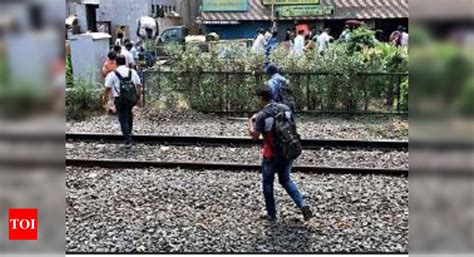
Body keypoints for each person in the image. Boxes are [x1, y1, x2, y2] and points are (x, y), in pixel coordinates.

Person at [248, 84, 313, 222]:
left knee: (267, 184)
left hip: (271, 154)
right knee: (285, 179)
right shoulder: (286, 109)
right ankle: (303, 204)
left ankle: (271, 214)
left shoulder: (262, 116)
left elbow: (254, 136)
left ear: (261, 98)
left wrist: (251, 122)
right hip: (287, 151)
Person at [103, 55, 143, 148]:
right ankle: (129, 134)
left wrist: (104, 100)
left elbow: (107, 89)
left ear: (116, 63)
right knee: (129, 114)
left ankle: (128, 141)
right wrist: (138, 98)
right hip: (131, 99)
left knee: (123, 118)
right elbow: (138, 85)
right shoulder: (132, 71)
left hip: (120, 99)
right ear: (125, 62)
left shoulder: (113, 74)